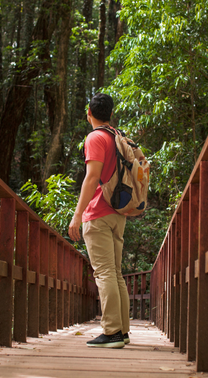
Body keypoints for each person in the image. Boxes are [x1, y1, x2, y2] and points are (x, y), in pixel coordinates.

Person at [68, 92, 130, 349]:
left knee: (104, 273)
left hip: (98, 212)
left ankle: (112, 332)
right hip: (118, 212)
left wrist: (77, 215)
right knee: (115, 273)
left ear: (89, 114)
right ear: (111, 114)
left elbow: (92, 177)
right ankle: (122, 331)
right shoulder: (118, 136)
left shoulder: (95, 137)